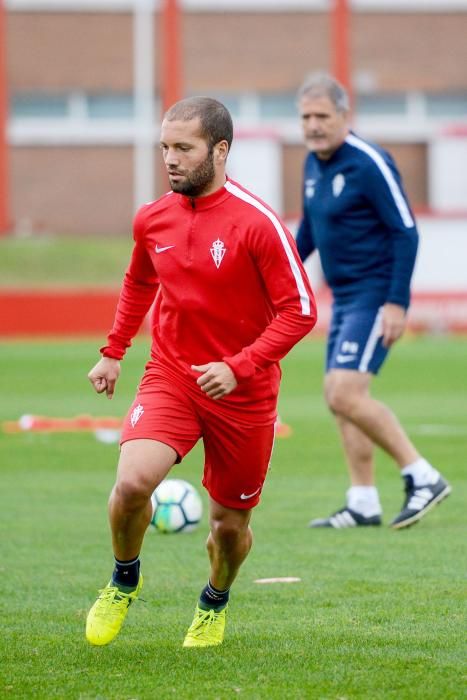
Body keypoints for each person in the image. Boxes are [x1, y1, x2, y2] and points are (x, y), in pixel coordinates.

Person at [85, 96, 317, 648]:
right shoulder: (152, 217)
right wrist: (114, 350)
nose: (170, 158)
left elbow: (301, 310)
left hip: (244, 393)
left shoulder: (257, 223)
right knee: (132, 481)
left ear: (220, 150)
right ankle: (123, 579)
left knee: (229, 529)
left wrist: (239, 367)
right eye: (165, 147)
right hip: (172, 374)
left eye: (183, 148)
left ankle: (214, 600)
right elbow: (140, 282)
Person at [295, 73, 451, 530]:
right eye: (305, 116)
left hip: (374, 294)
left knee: (345, 392)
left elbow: (405, 229)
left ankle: (422, 476)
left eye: (322, 115)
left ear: (345, 116)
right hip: (343, 297)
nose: (313, 125)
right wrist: (278, 275)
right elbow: (309, 232)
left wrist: (397, 302)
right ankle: (362, 500)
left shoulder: (368, 162)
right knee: (337, 397)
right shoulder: (311, 163)